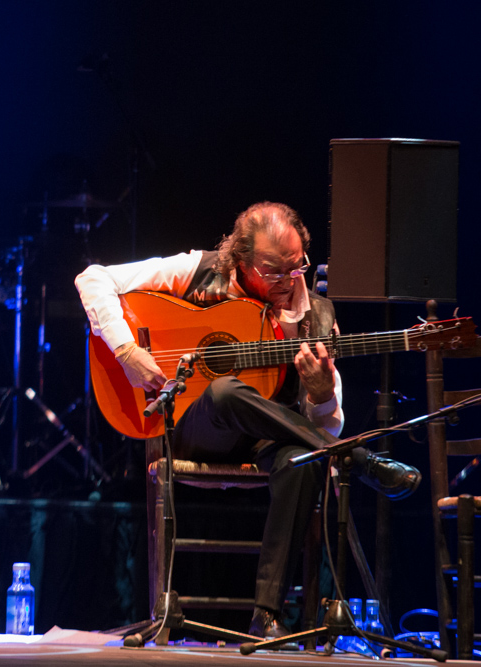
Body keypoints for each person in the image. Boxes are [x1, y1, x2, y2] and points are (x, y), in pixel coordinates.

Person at [75, 201, 420, 639]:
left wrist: (320, 394)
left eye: (297, 267)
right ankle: (357, 458)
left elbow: (323, 431)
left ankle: (267, 617)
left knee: (305, 460)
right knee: (223, 391)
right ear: (241, 259)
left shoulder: (318, 317)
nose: (288, 281)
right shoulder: (199, 270)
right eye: (273, 271)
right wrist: (126, 351)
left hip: (266, 440)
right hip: (196, 428)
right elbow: (93, 279)